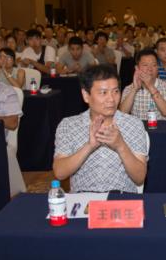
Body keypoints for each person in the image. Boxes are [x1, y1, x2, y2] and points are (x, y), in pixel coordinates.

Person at [54, 65, 148, 193]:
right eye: (103, 93)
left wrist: (120, 146)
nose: (111, 99)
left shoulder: (133, 124)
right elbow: (59, 173)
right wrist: (89, 146)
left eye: (115, 91)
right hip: (84, 198)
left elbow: (140, 178)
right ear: (86, 95)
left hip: (121, 198)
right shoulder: (69, 125)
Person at [120, 49, 166, 121]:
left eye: (154, 65)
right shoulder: (129, 88)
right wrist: (134, 89)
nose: (150, 69)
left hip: (160, 127)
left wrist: (150, 86)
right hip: (138, 127)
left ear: (157, 68)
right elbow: (122, 114)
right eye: (145, 65)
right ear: (137, 68)